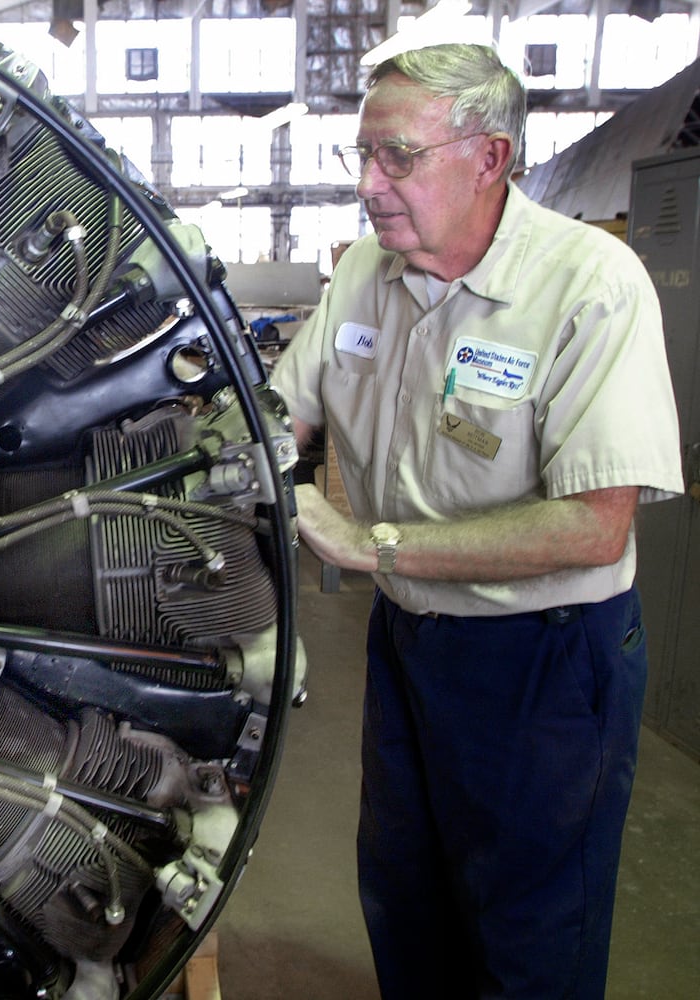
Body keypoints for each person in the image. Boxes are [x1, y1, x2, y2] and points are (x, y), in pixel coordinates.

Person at [269, 42, 684, 1000]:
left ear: (489, 157)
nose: (369, 185)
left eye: (397, 157)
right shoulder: (367, 273)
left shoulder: (589, 285)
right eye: (361, 156)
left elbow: (593, 527)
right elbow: (272, 414)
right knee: (405, 900)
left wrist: (363, 541)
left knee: (528, 931)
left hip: (544, 659)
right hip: (412, 639)